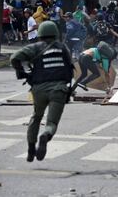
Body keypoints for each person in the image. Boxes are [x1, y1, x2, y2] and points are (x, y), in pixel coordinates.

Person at [10, 21, 73, 162]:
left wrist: (22, 73)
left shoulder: (34, 47)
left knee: (36, 117)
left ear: (40, 34)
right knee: (52, 123)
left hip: (38, 90)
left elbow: (14, 58)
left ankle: (31, 149)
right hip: (59, 89)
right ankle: (45, 135)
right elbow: (70, 69)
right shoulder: (63, 48)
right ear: (56, 34)